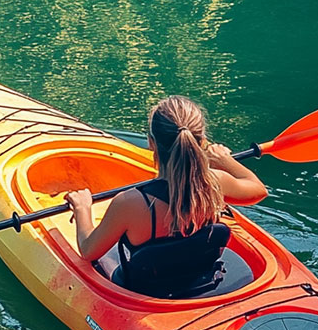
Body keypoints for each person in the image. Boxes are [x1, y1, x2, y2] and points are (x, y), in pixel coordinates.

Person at [64, 95, 267, 296]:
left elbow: (88, 250)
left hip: (145, 292)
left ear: (151, 143)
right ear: (203, 142)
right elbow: (258, 191)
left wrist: (83, 208)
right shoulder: (216, 183)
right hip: (199, 282)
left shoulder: (129, 203)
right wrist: (225, 161)